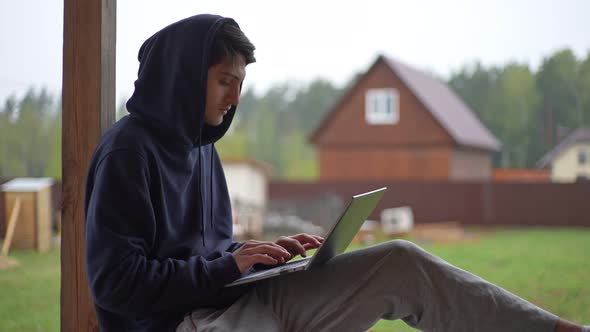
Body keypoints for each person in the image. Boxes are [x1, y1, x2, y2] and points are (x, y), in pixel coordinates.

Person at [84, 14, 588, 332]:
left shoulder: (203, 150)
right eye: (223, 81)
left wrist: (255, 257)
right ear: (183, 75)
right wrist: (226, 268)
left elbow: (204, 258)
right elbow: (116, 285)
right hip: (182, 325)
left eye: (239, 83)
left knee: (400, 262)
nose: (234, 98)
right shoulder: (128, 153)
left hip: (238, 304)